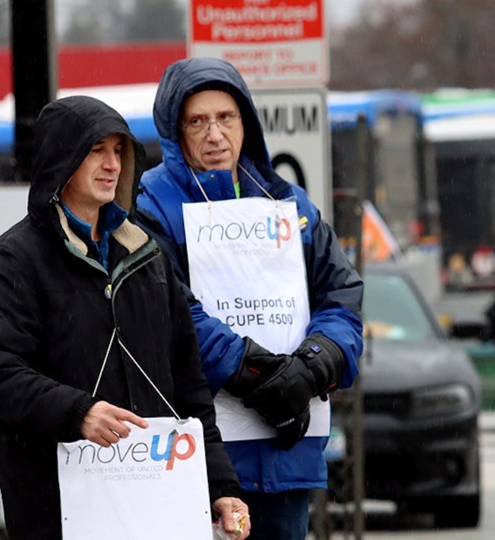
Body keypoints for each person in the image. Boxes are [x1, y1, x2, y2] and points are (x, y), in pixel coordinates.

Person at [0, 95, 251, 540]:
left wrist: (219, 485)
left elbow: (190, 387)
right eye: (96, 149)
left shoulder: (147, 254)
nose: (112, 164)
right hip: (56, 506)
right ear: (62, 158)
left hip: (156, 503)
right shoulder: (14, 258)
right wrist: (78, 413)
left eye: (119, 151)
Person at [136, 57, 364, 539]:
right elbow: (175, 314)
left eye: (226, 118)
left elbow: (341, 297)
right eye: (197, 121)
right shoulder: (150, 208)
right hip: (200, 458)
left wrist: (311, 366)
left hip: (286, 452)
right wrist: (262, 373)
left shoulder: (289, 203)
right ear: (174, 131)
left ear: (247, 123)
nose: (215, 134)